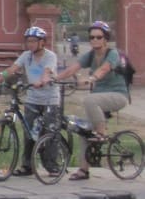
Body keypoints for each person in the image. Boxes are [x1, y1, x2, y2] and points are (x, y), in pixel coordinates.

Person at [55, 20, 129, 180]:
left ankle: (101, 133)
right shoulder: (90, 55)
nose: (94, 40)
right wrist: (55, 78)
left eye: (98, 37)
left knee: (89, 100)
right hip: (99, 97)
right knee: (84, 131)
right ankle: (84, 170)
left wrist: (92, 78)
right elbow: (72, 68)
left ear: (105, 39)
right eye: (92, 37)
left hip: (117, 95)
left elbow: (104, 69)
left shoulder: (112, 54)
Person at [0, 25, 59, 175]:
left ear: (42, 42)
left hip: (49, 99)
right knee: (29, 133)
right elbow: (12, 69)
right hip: (32, 98)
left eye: (34, 41)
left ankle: (52, 165)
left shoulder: (50, 56)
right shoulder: (26, 56)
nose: (31, 44)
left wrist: (42, 80)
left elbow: (47, 71)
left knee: (49, 131)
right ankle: (27, 165)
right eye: (29, 41)